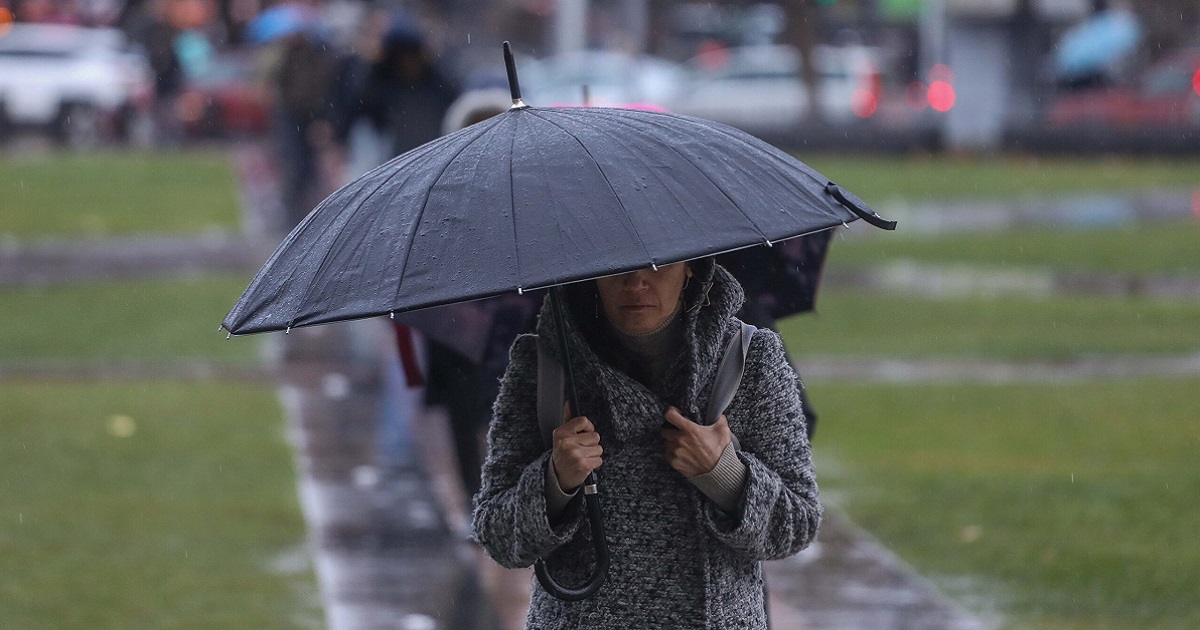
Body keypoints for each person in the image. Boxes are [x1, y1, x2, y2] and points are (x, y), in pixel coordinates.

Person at [472, 257, 822, 628]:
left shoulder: (749, 359)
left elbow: (797, 523)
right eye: (616, 265)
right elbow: (496, 533)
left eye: (660, 264)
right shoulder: (543, 365)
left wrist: (725, 476)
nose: (636, 281)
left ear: (691, 266)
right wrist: (555, 482)